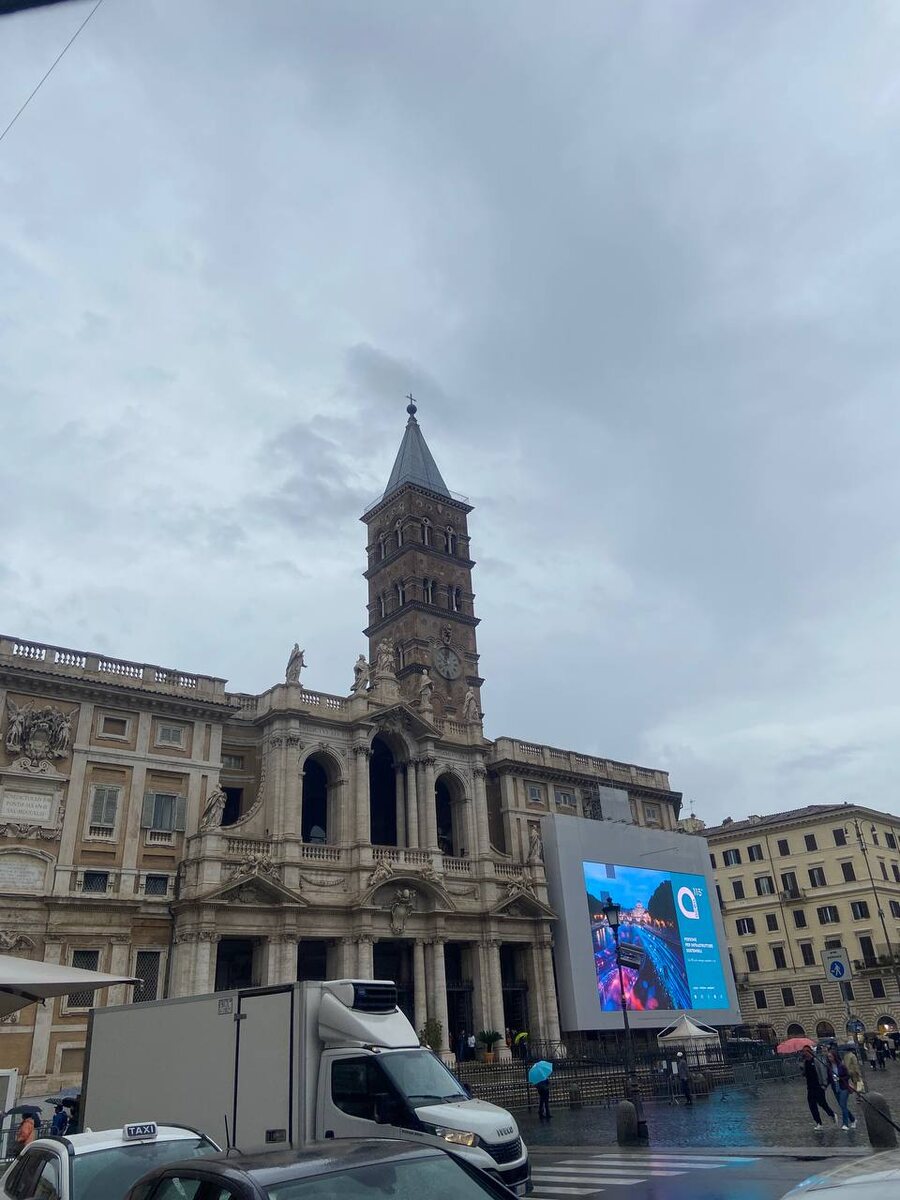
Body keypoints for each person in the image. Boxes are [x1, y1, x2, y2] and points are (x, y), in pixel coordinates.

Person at [802, 1046, 836, 1129]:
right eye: (803, 1051)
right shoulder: (805, 1062)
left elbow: (822, 1072)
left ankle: (832, 1114)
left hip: (818, 1086)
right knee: (812, 1105)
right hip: (810, 1087)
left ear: (810, 1051)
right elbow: (804, 1073)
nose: (805, 1053)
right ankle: (818, 1122)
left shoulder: (816, 1061)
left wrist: (824, 1084)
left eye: (806, 1051)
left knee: (822, 1104)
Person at [826, 1048, 856, 1131]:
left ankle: (845, 1124)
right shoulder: (829, 1067)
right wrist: (825, 1085)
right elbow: (828, 1078)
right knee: (843, 1106)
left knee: (843, 1105)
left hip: (843, 1087)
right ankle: (853, 1119)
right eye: (828, 1057)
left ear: (835, 1057)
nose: (829, 1058)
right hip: (835, 1088)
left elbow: (848, 1076)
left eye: (830, 1056)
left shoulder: (841, 1066)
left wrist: (840, 1078)